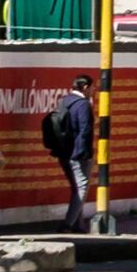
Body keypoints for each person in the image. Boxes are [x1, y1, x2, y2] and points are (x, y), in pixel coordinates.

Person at [40, 81, 96, 228]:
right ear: (85, 88)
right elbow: (85, 130)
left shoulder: (64, 101)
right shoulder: (83, 104)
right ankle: (68, 224)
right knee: (82, 187)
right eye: (92, 87)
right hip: (78, 153)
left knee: (76, 187)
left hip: (62, 152)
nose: (94, 90)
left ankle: (79, 224)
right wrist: (84, 153)